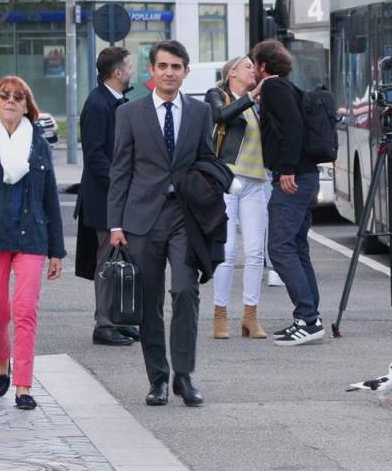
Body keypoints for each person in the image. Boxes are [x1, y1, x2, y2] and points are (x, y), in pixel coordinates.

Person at [108, 40, 213, 407]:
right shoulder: (130, 114)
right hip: (142, 219)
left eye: (177, 66)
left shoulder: (201, 113)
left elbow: (206, 165)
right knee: (149, 301)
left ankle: (184, 375)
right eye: (163, 66)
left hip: (185, 217)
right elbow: (120, 170)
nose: (170, 72)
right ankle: (158, 379)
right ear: (151, 71)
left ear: (186, 73)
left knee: (185, 292)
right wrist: (115, 223)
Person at [0, 76, 66, 409]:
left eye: (19, 97)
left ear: (26, 105)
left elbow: (50, 199)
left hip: (32, 237)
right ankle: (1, 359)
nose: (11, 101)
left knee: (25, 312)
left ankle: (23, 385)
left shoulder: (40, 144)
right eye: (4, 95)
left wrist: (57, 251)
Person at [251, 39, 324, 346]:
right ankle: (310, 317)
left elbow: (292, 127)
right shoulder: (288, 87)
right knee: (296, 246)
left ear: (262, 65)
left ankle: (307, 319)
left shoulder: (273, 88)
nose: (253, 69)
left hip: (293, 178)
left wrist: (287, 170)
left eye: (254, 63)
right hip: (307, 177)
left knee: (280, 249)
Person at [75, 46, 140, 346]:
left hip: (114, 196)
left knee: (117, 257)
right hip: (103, 198)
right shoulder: (98, 104)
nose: (132, 71)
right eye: (129, 66)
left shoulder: (114, 101)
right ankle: (104, 324)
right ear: (117, 73)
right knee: (106, 260)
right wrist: (119, 184)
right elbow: (95, 155)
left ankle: (116, 319)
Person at [205, 56, 272, 340]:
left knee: (256, 252)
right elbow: (221, 116)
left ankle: (250, 315)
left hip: (256, 181)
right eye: (247, 66)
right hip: (227, 179)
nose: (253, 70)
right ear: (232, 72)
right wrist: (252, 96)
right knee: (227, 251)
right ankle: (220, 314)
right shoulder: (217, 95)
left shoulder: (259, 104)